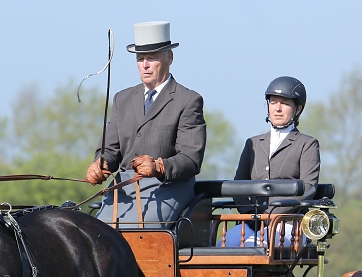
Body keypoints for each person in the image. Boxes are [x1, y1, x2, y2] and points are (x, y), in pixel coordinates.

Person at [86, 21, 206, 226]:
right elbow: (111, 150)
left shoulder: (188, 100)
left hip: (168, 189)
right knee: (96, 233)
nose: (145, 65)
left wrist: (160, 166)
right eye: (140, 58)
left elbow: (191, 158)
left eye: (152, 58)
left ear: (170, 57)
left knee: (141, 234)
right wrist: (101, 164)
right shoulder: (122, 99)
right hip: (123, 190)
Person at [224, 76, 320, 246]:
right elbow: (238, 186)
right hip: (252, 223)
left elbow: (308, 188)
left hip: (287, 224)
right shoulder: (252, 143)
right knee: (223, 244)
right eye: (273, 102)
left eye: (284, 103)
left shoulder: (307, 144)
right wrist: (251, 215)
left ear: (298, 109)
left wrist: (271, 215)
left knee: (256, 244)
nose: (277, 108)